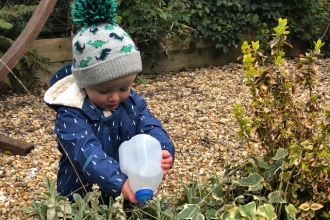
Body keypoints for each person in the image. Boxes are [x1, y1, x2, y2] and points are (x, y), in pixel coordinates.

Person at [44, 0, 175, 205]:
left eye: (124, 88)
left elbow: (150, 125)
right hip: (82, 198)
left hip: (129, 189)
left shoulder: (131, 102)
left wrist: (163, 149)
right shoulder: (71, 114)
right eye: (104, 90)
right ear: (84, 84)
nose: (115, 97)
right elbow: (87, 154)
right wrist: (119, 182)